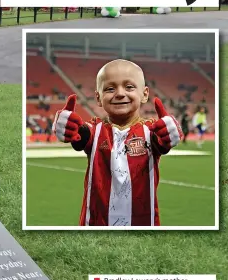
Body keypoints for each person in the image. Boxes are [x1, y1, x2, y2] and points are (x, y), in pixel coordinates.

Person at [52, 59, 182, 227]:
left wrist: (171, 132)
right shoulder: (95, 130)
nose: (120, 93)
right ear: (98, 98)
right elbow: (80, 134)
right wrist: (66, 126)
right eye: (110, 88)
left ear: (144, 94)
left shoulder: (151, 131)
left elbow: (164, 141)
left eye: (129, 87)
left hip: (142, 226)